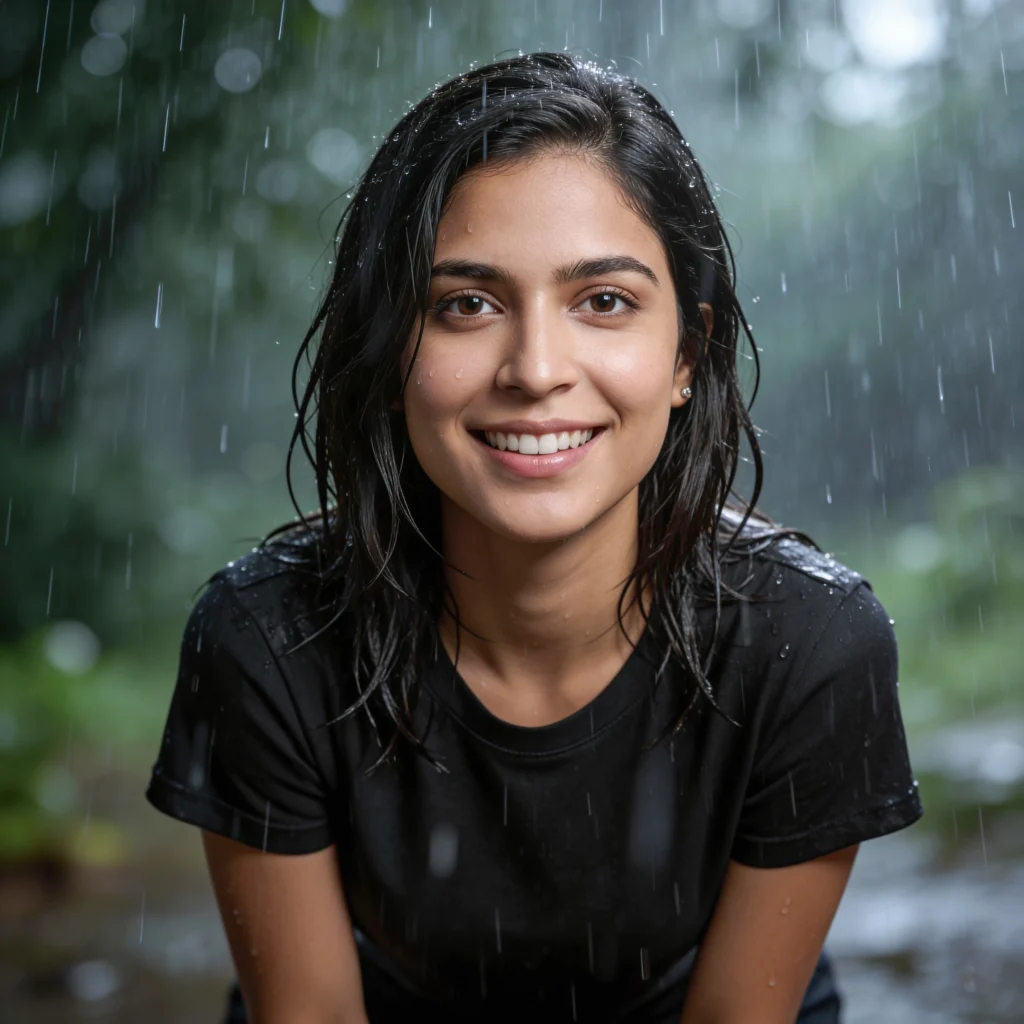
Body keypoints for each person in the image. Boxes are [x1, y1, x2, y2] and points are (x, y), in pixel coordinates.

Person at [145, 52, 923, 1023]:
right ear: (390, 348)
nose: (537, 369)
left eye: (604, 301)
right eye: (466, 303)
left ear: (686, 353)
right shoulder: (268, 638)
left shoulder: (808, 644)